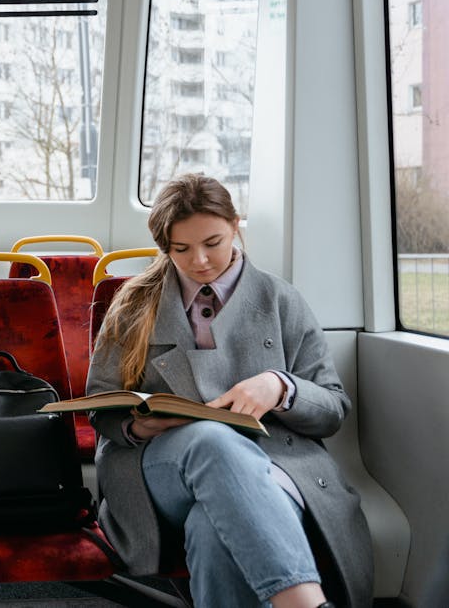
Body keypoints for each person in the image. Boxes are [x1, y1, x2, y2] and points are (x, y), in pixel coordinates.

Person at [87, 174, 373, 608]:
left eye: (213, 242)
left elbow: (333, 409)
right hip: (161, 472)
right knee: (209, 438)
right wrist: (143, 427)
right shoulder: (132, 304)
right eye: (180, 250)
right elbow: (101, 407)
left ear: (236, 226)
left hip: (274, 465)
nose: (199, 260)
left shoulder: (280, 299)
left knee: (212, 529)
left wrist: (280, 387)